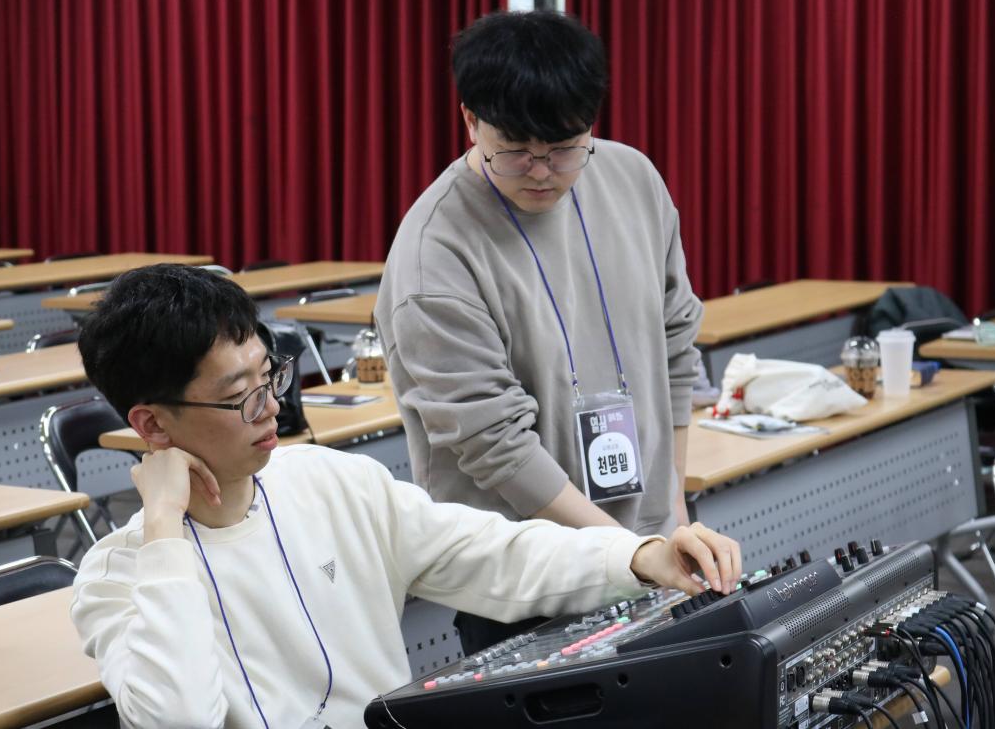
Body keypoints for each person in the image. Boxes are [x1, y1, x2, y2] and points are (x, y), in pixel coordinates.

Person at [70, 264, 740, 729]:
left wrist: (639, 556)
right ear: (152, 424)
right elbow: (180, 717)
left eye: (270, 376)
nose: (271, 406)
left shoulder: (329, 482)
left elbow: (492, 552)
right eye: (239, 396)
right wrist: (163, 524)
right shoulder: (117, 576)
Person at [374, 10, 706, 653]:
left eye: (563, 148)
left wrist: (671, 514)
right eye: (516, 150)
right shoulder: (432, 256)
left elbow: (675, 343)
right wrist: (630, 552)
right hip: (528, 573)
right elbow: (495, 445)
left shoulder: (633, 180)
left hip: (652, 550)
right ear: (470, 120)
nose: (541, 172)